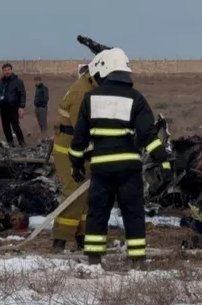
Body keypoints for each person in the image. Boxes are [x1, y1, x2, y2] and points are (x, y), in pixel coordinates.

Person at [69, 48, 171, 266]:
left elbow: (79, 139)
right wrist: (163, 158)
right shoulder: (137, 98)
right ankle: (137, 259)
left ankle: (94, 259)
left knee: (97, 212)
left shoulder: (90, 98)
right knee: (133, 213)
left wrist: (76, 164)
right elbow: (148, 136)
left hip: (101, 168)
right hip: (128, 168)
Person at [50, 59, 102, 253]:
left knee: (86, 195)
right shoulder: (83, 93)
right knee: (74, 192)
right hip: (70, 150)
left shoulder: (90, 87)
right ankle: (60, 239)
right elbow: (84, 128)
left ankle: (82, 237)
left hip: (80, 148)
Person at [0, 63, 26, 147]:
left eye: (8, 70)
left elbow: (22, 94)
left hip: (13, 107)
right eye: (5, 70)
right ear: (2, 71)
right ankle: (10, 142)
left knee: (15, 125)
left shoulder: (18, 81)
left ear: (11, 70)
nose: (7, 72)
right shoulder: (1, 82)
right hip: (3, 107)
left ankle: (21, 142)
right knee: (5, 127)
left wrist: (21, 107)